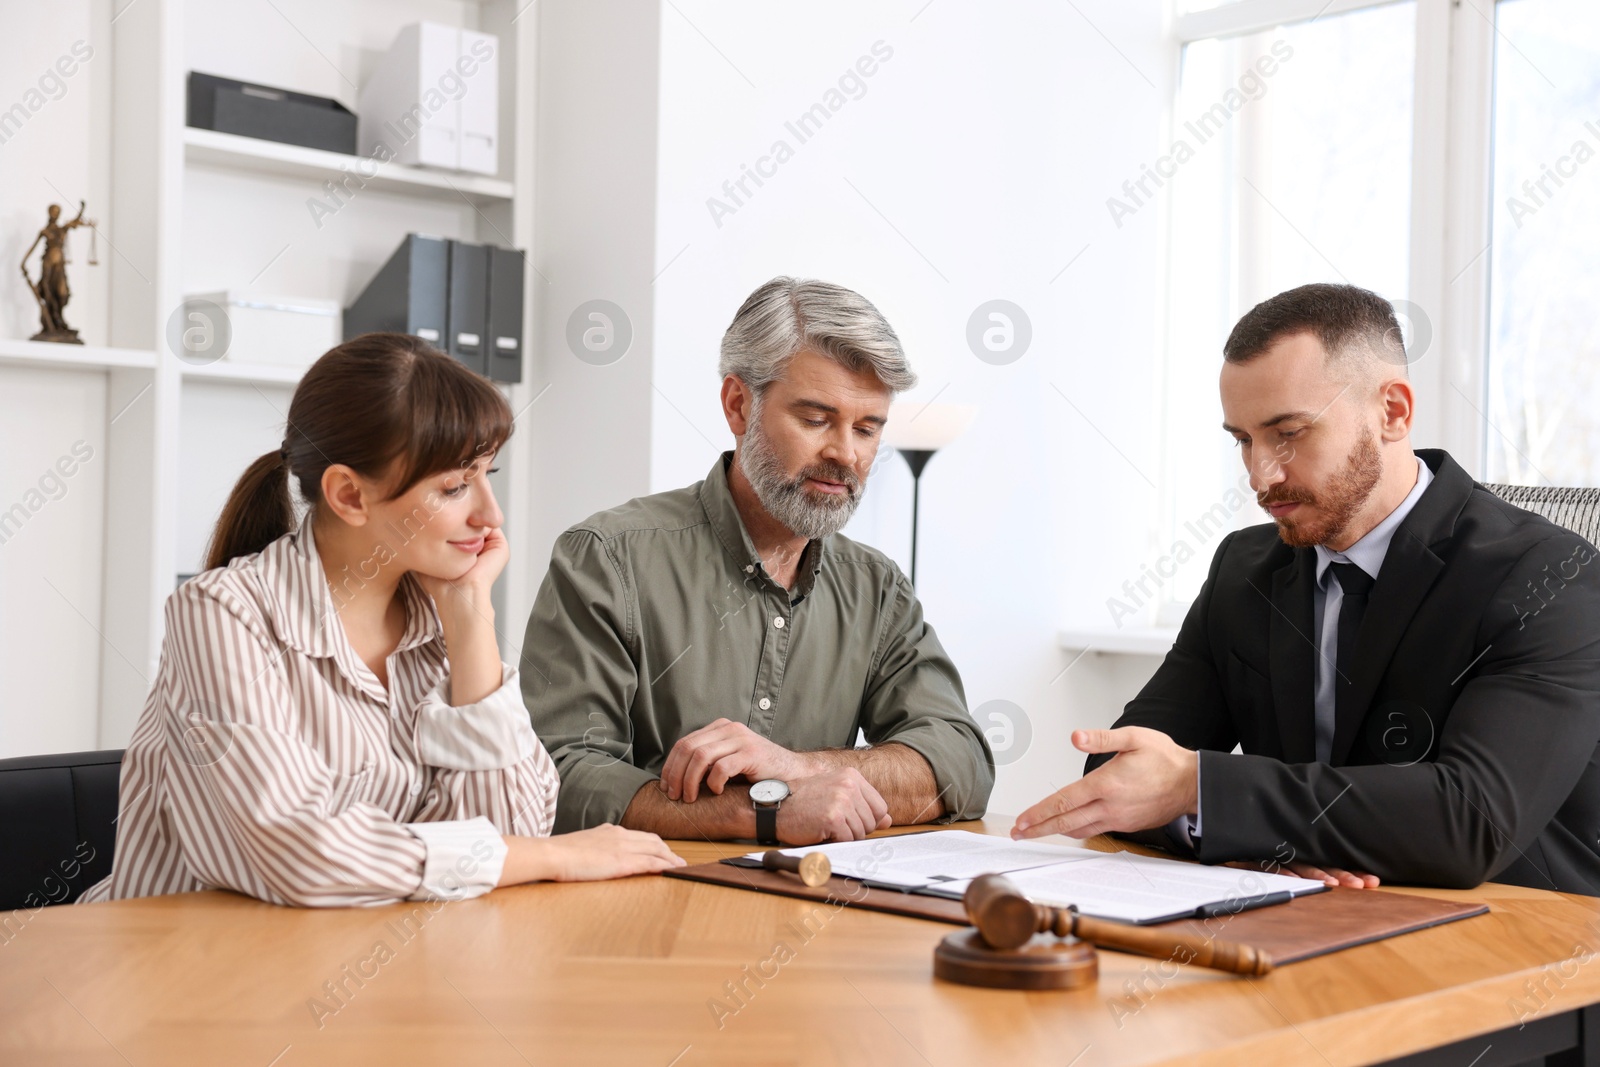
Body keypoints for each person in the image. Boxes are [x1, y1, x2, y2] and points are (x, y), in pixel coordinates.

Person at [1013, 283, 1600, 895]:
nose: (1260, 474)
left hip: (1518, 945)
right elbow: (1124, 765)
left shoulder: (1550, 577)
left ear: (1393, 412)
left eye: (1288, 433)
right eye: (1242, 440)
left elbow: (1471, 823)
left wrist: (1205, 791)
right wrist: (1237, 830)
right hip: (1310, 930)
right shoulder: (1245, 569)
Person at [83, 333, 682, 908]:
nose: (490, 514)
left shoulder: (439, 616)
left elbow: (510, 827)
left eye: (487, 476)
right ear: (348, 495)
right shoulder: (222, 615)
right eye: (454, 487)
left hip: (360, 973)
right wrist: (553, 858)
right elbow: (296, 855)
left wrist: (470, 619)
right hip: (186, 976)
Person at [523, 277, 994, 846]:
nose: (845, 453)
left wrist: (797, 769)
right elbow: (557, 778)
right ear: (738, 404)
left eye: (867, 429)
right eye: (816, 419)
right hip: (645, 914)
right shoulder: (607, 559)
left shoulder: (878, 588)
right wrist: (764, 813)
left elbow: (960, 761)